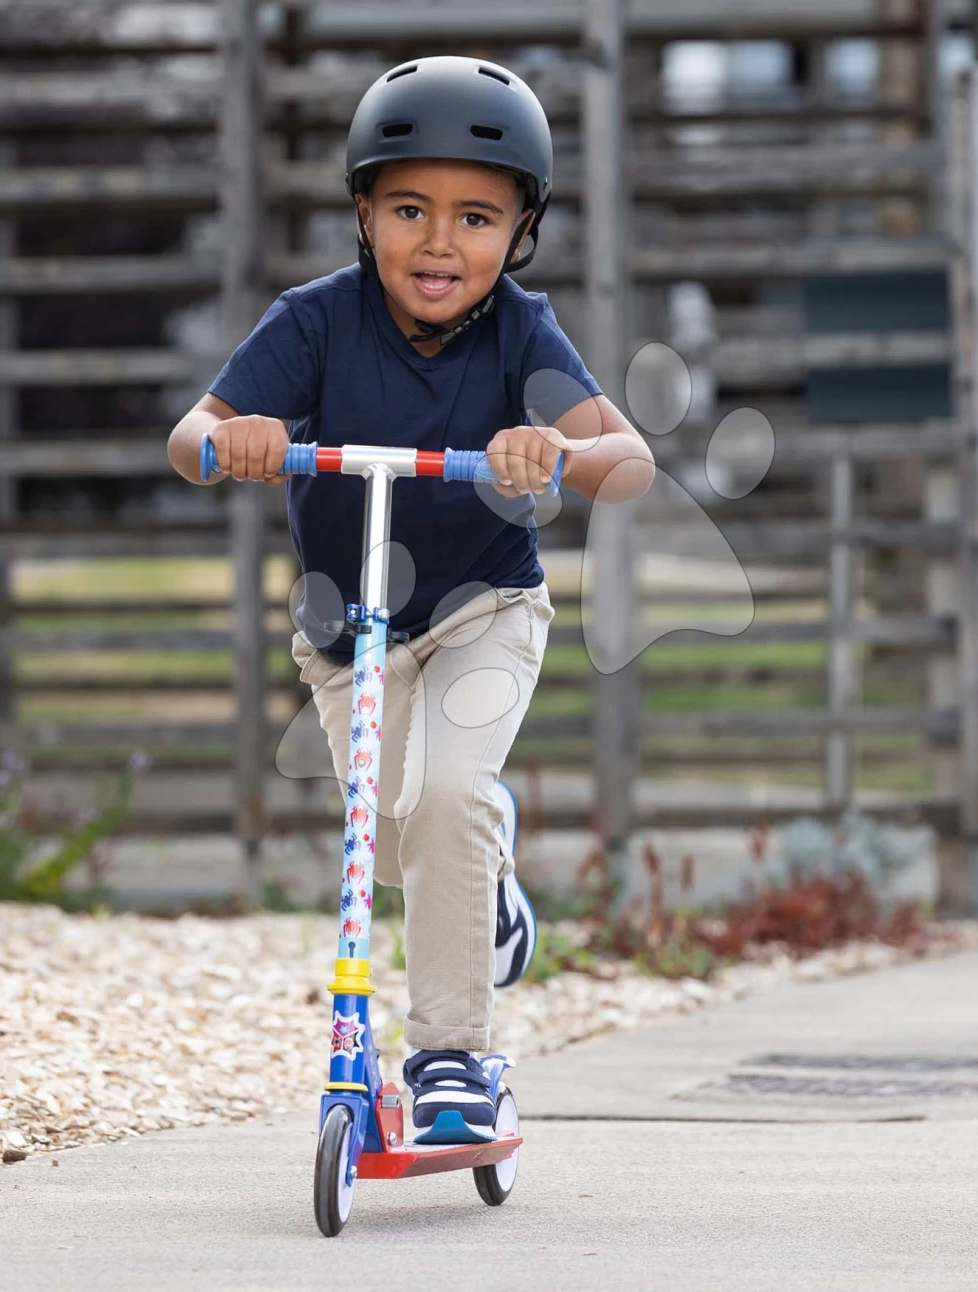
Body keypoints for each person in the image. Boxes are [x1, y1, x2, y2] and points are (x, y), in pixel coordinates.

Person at [168, 55, 654, 1143]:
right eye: (409, 209)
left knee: (444, 800)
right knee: (385, 838)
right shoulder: (315, 322)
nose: (441, 241)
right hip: (351, 637)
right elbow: (188, 435)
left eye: (476, 216)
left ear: (520, 232)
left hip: (485, 609)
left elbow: (631, 462)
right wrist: (232, 439)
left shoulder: (522, 330)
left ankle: (451, 1058)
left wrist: (553, 456)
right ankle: (489, 886)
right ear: (362, 212)